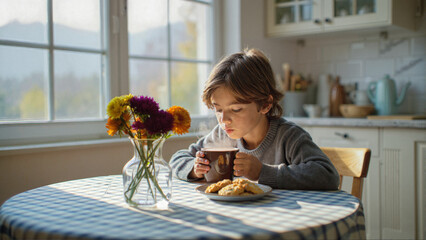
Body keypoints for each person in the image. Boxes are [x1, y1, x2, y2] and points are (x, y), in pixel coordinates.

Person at [169, 48, 339, 190]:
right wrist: (195, 169)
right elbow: (177, 158)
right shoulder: (221, 136)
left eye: (236, 109)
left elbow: (328, 175)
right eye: (218, 109)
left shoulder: (288, 137)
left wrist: (263, 172)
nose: (224, 119)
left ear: (265, 104)